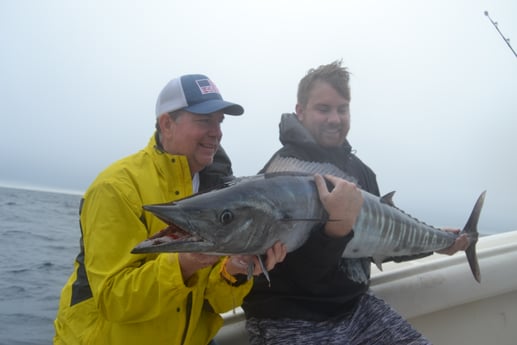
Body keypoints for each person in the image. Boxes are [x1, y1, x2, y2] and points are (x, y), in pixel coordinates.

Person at [242, 61, 469, 345]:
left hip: (355, 309)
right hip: (289, 317)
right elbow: (293, 274)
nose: (335, 119)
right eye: (323, 109)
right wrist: (337, 227)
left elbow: (382, 240)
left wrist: (440, 244)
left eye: (342, 108)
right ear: (300, 111)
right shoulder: (280, 175)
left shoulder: (361, 173)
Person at [53, 74, 286, 345]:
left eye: (219, 121)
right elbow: (114, 300)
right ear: (167, 123)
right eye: (204, 120)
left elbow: (216, 302)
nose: (217, 131)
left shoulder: (217, 193)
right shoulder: (115, 187)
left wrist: (234, 270)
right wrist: (185, 262)